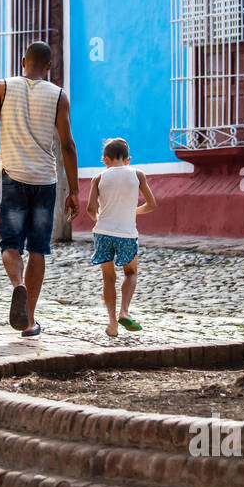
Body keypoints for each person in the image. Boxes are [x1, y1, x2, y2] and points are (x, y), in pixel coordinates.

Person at [0, 41, 79, 337]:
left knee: (10, 245)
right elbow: (67, 145)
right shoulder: (59, 96)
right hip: (45, 181)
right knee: (38, 250)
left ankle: (17, 285)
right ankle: (29, 320)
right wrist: (74, 190)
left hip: (12, 178)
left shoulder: (2, 88)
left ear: (22, 61)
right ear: (49, 67)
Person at [86, 137, 156, 337]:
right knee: (131, 273)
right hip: (126, 233)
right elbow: (152, 204)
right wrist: (131, 211)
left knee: (108, 278)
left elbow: (90, 209)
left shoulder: (98, 178)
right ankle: (124, 311)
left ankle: (111, 323)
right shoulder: (138, 174)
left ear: (105, 159)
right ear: (128, 159)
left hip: (103, 232)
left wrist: (101, 217)